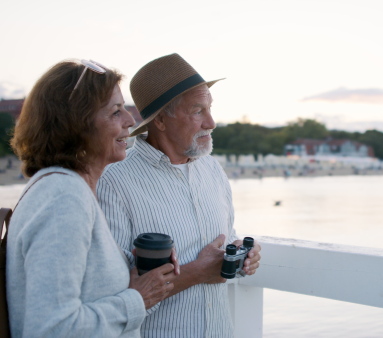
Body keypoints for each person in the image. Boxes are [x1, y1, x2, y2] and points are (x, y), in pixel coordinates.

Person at [7, 59, 179, 337]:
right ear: (76, 124)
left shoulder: (70, 190)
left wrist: (130, 269)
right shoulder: (63, 199)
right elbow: (51, 328)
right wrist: (137, 300)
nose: (130, 121)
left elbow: (82, 287)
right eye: (115, 112)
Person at [97, 53, 261, 337]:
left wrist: (242, 255)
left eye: (209, 108)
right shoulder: (113, 181)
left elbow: (223, 241)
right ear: (160, 120)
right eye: (197, 111)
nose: (211, 122)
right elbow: (112, 294)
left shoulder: (212, 169)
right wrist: (196, 272)